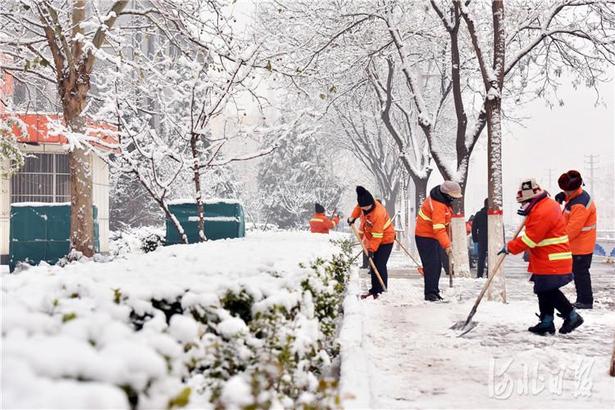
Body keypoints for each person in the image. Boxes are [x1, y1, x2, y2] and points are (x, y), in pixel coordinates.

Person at [501, 178, 583, 335]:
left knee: (548, 290)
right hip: (547, 258)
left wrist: (509, 247)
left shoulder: (542, 211)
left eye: (523, 202)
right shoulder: (544, 206)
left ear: (531, 199)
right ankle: (546, 322)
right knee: (543, 289)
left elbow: (531, 239)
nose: (521, 205)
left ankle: (571, 316)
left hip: (553, 258)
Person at [555, 170, 597, 309]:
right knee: (579, 273)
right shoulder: (576, 197)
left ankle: (585, 301)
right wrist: (564, 197)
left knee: (581, 274)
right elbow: (571, 200)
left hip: (581, 246)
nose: (565, 193)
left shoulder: (580, 205)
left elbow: (572, 229)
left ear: (572, 190)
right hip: (578, 245)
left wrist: (557, 241)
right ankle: (582, 299)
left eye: (566, 191)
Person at [415, 181, 463, 301]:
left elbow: (444, 225)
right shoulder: (437, 205)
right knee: (431, 265)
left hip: (433, 236)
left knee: (436, 265)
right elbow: (439, 228)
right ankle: (430, 294)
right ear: (447, 194)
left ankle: (434, 291)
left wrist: (448, 241)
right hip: (425, 237)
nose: (454, 199)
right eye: (453, 196)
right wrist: (447, 245)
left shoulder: (442, 201)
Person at [347, 186, 395, 299]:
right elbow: (358, 208)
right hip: (374, 239)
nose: (365, 210)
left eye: (367, 207)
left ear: (372, 203)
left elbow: (378, 235)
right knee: (373, 264)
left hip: (385, 240)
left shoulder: (378, 213)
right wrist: (352, 217)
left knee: (379, 264)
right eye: (363, 208)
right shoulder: (363, 204)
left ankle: (381, 291)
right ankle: (374, 290)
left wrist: (371, 250)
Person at [472, 198, 489, 278]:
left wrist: (475, 238)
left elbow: (474, 227)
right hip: (491, 239)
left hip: (481, 239)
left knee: (481, 258)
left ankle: (479, 275)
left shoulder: (479, 214)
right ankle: (489, 273)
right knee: (492, 257)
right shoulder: (494, 214)